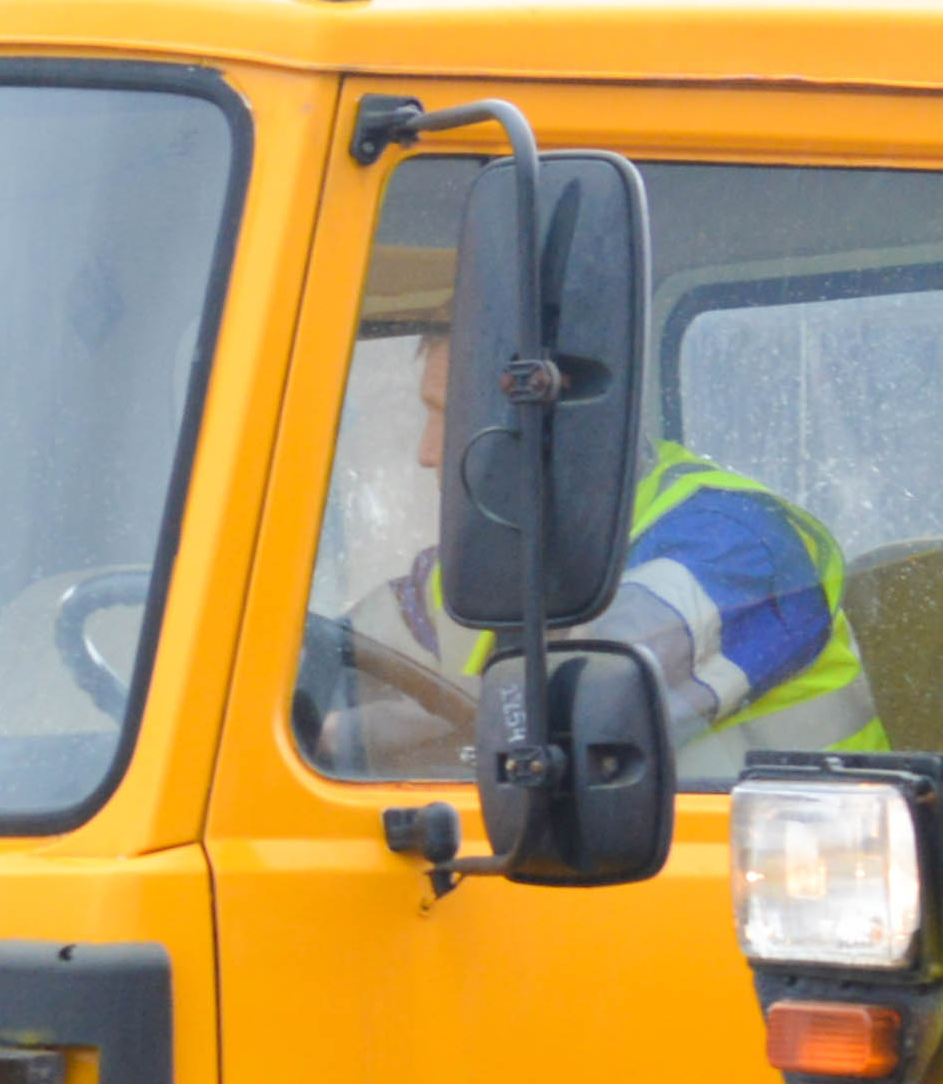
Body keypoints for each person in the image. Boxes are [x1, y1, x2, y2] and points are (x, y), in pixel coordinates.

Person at [324, 329, 876, 784]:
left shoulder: (739, 546)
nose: (427, 452)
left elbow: (573, 709)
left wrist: (336, 736)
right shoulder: (484, 559)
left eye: (450, 415)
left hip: (785, 886)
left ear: (564, 418)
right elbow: (346, 660)